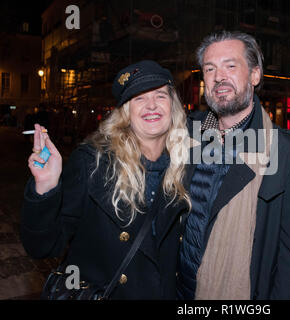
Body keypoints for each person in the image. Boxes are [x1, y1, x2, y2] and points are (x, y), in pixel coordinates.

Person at [20, 60, 191, 299]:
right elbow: (42, 247)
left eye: (160, 95)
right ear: (125, 113)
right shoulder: (93, 163)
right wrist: (46, 188)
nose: (151, 105)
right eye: (139, 98)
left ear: (172, 106)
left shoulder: (184, 166)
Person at [176, 31, 290, 300]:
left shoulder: (286, 153)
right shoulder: (186, 135)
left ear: (255, 75)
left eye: (231, 66)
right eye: (210, 68)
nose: (219, 77)